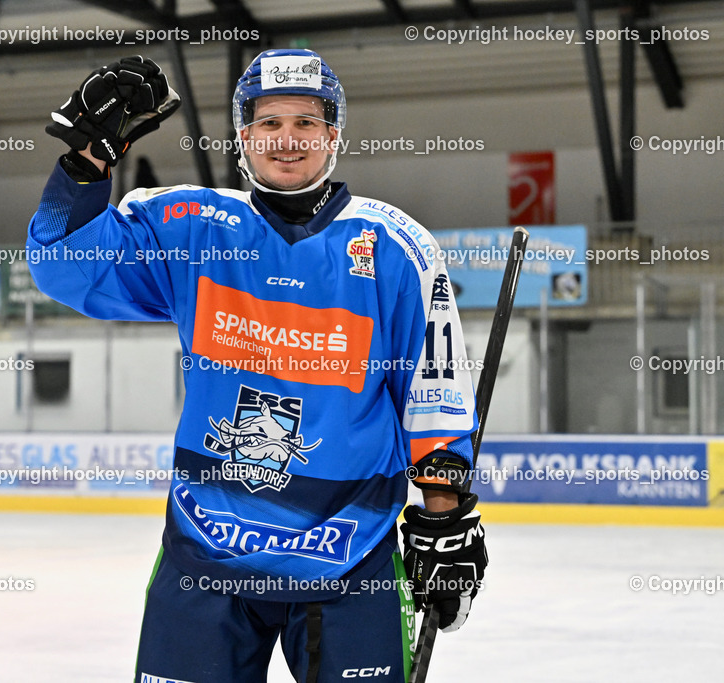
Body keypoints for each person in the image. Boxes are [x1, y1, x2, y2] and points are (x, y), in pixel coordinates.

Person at [27, 50, 488, 683]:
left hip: (348, 556)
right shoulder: (190, 224)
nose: (288, 140)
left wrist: (445, 517)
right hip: (206, 553)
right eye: (269, 122)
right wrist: (86, 166)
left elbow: (433, 396)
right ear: (243, 137)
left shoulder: (396, 248)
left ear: (333, 136)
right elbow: (64, 267)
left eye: (307, 122)